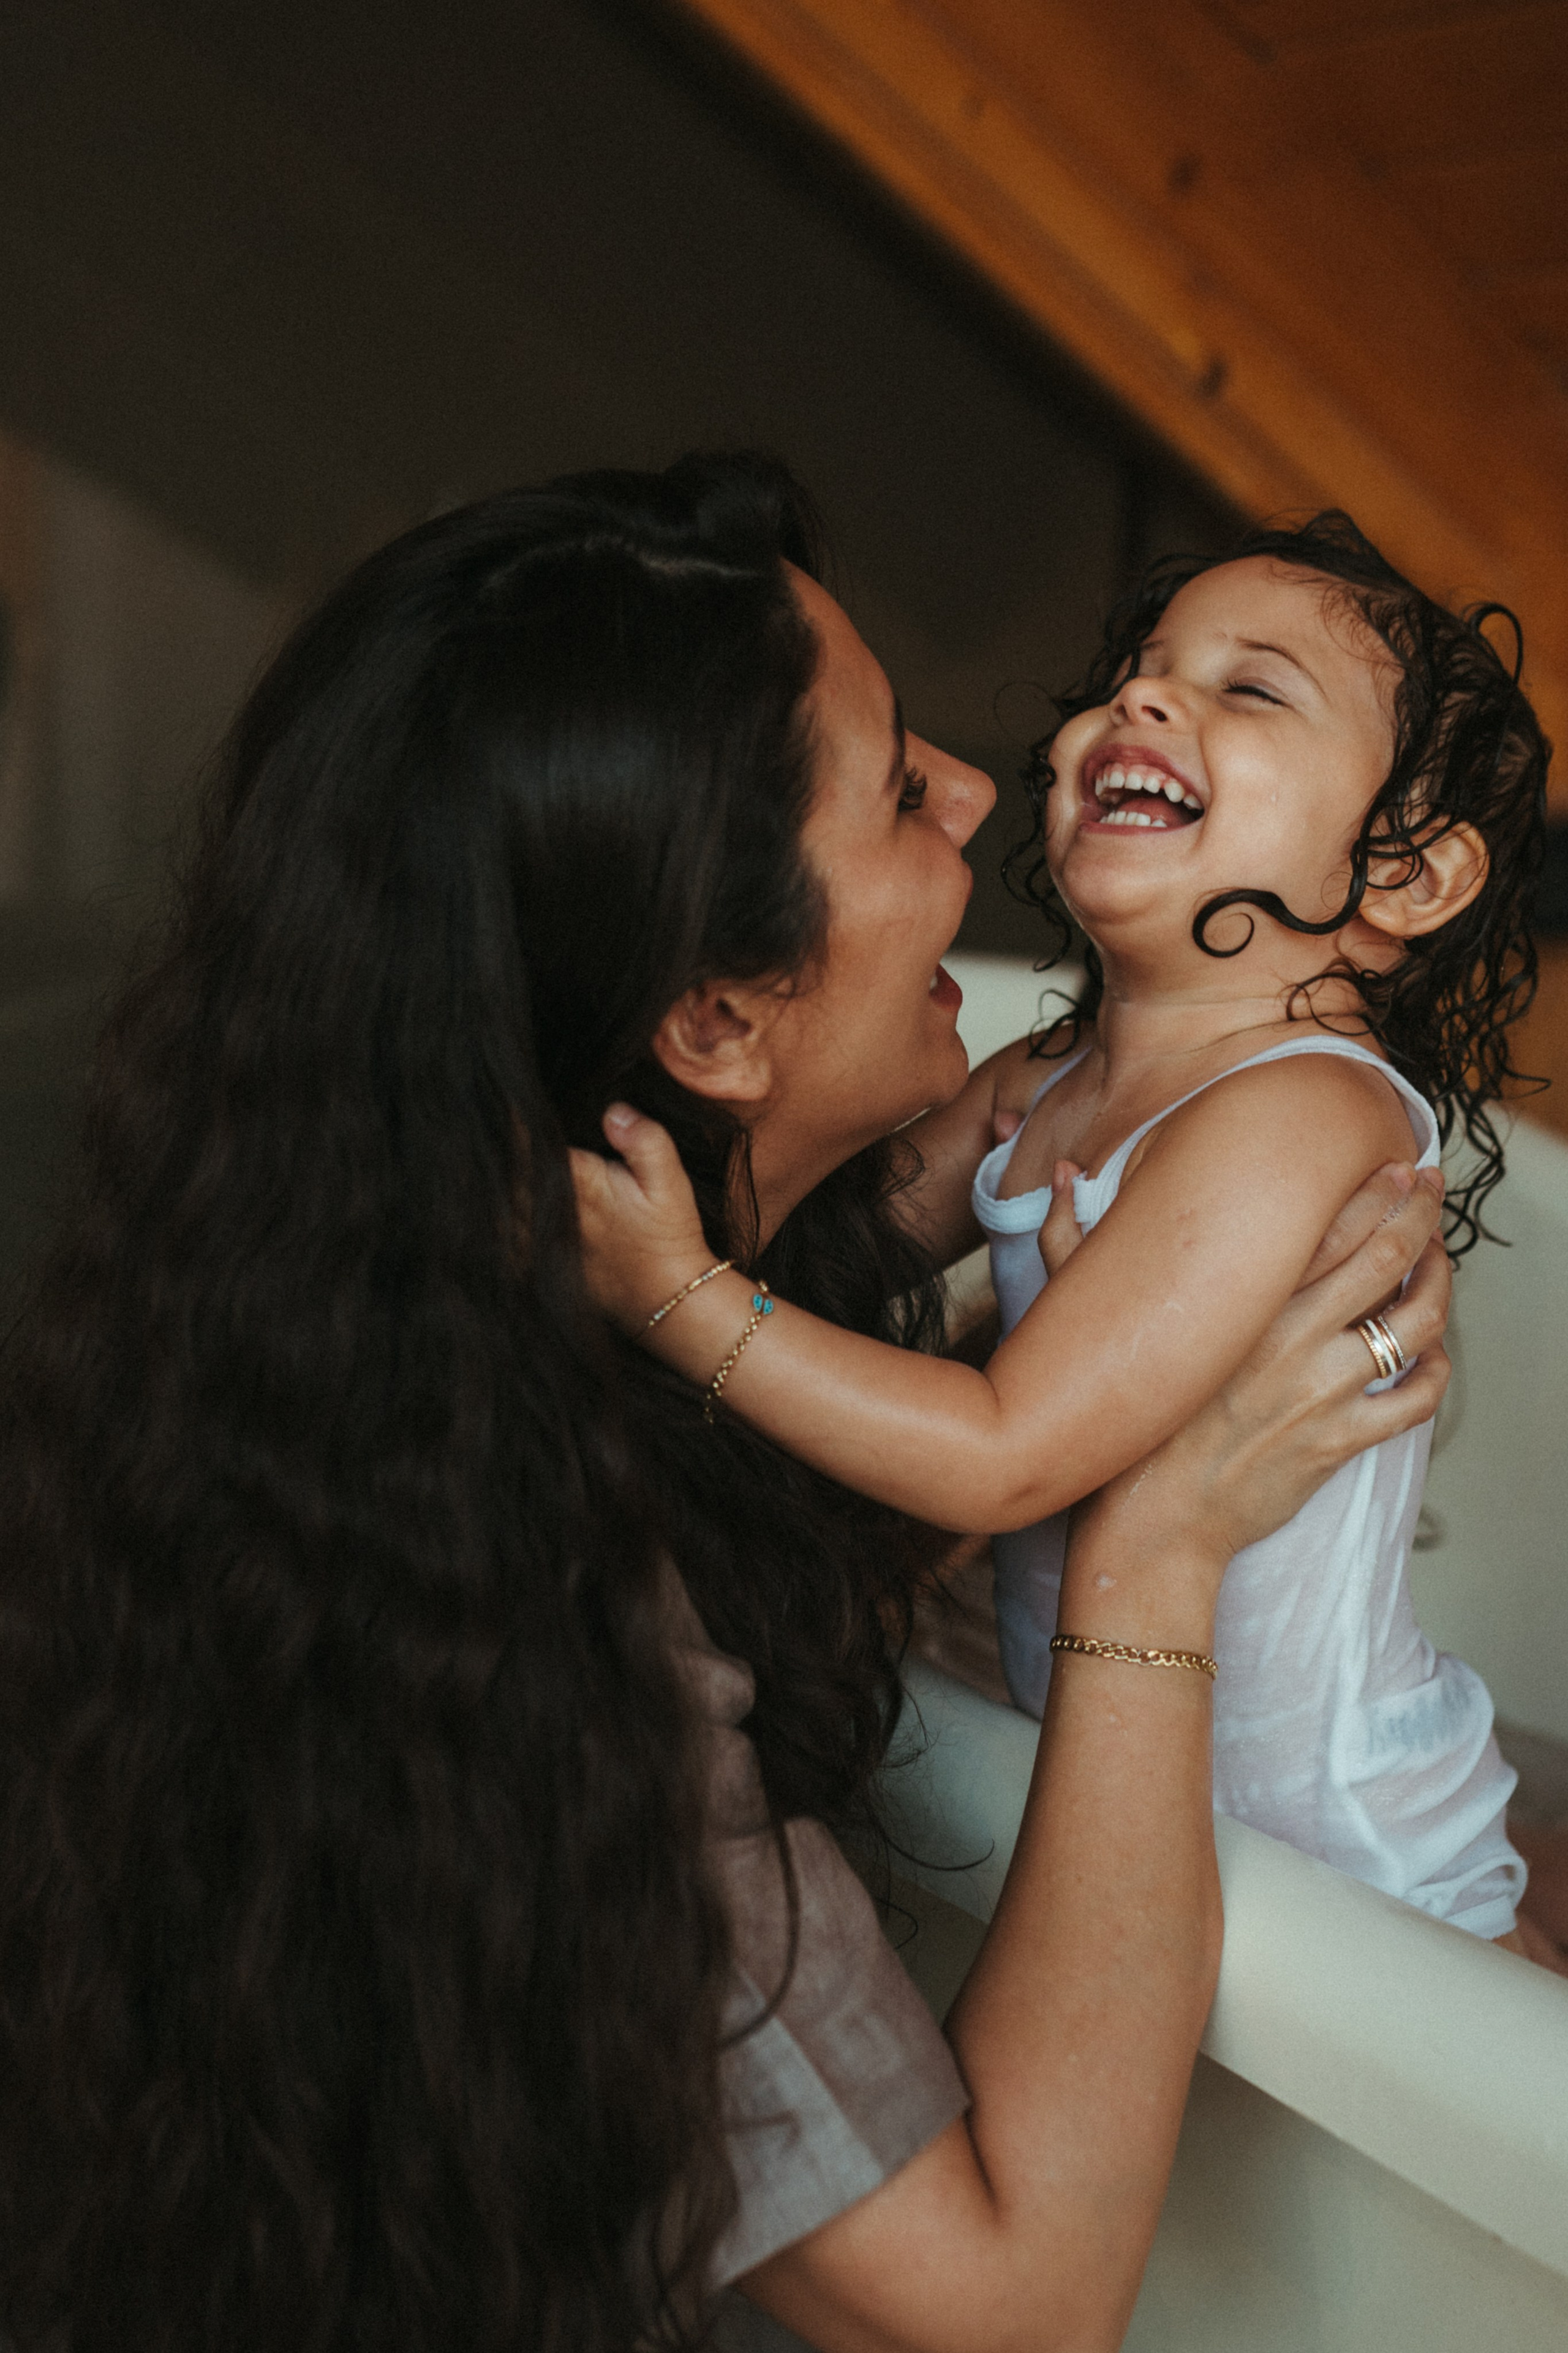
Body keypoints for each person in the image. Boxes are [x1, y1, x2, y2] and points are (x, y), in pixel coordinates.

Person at [0, 455, 1450, 2353]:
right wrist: (1155, 1552)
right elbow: (1005, 2315)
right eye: (895, 791)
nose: (986, 793)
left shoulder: (354, 1329)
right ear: (716, 1025)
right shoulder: (536, 1641)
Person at [574, 515, 1548, 1958]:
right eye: (1140, 669)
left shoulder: (1297, 1113)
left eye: (1249, 689)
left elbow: (1001, 1445)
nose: (1144, 698)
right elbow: (806, 1247)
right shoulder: (1043, 1078)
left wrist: (680, 1299)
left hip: (1352, 1849)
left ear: (1402, 876)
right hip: (1125, 1758)